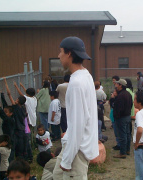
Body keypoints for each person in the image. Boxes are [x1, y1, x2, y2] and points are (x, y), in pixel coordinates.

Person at [53, 36, 98, 179]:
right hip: (74, 144)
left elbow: (78, 124)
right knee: (55, 175)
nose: (59, 56)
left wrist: (67, 161)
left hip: (77, 150)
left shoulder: (77, 82)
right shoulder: (85, 76)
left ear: (69, 54)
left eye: (61, 52)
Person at [3, 77, 27, 160]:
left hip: (17, 130)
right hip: (22, 129)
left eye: (17, 99)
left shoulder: (16, 108)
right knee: (22, 147)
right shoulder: (23, 108)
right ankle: (23, 159)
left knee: (15, 147)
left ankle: (15, 160)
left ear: (18, 102)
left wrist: (6, 82)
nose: (15, 100)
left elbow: (9, 94)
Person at [14, 82, 36, 163]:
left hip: (28, 121)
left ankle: (29, 155)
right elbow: (25, 95)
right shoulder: (34, 98)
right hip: (33, 119)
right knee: (29, 138)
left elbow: (22, 96)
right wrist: (23, 86)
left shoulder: (27, 100)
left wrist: (16, 87)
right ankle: (30, 153)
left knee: (27, 140)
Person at [113, 79, 133, 158]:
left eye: (117, 84)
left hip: (121, 118)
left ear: (121, 85)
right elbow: (131, 104)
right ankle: (127, 150)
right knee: (128, 134)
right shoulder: (128, 94)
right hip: (127, 116)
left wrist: (117, 116)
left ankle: (122, 152)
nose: (116, 85)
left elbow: (119, 108)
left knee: (122, 135)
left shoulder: (121, 95)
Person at [0, 93, 15, 163]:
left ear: (10, 113)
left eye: (6, 112)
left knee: (9, 154)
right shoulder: (11, 118)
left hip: (9, 139)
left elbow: (1, 112)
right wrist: (2, 96)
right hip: (11, 137)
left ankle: (9, 164)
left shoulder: (8, 119)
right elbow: (5, 106)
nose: (5, 113)